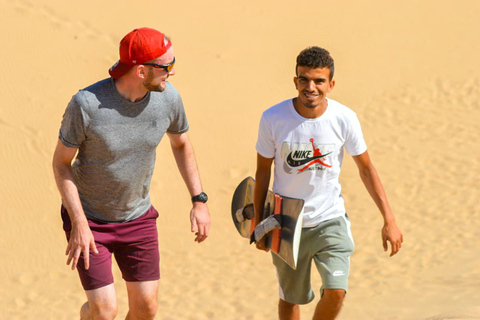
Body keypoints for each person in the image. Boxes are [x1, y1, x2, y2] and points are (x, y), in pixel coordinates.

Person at [52, 27, 211, 320]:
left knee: (146, 309)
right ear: (141, 71)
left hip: (137, 218)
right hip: (90, 221)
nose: (172, 73)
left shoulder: (168, 98)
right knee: (103, 311)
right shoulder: (86, 104)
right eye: (167, 66)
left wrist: (198, 200)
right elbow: (61, 163)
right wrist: (79, 223)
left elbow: (181, 143)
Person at [254, 46, 403, 320]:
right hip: (286, 222)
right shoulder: (273, 118)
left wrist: (389, 219)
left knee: (336, 290)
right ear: (295, 80)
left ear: (331, 84)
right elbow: (262, 171)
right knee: (291, 298)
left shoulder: (344, 118)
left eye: (319, 80)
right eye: (304, 79)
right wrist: (258, 223)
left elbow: (366, 168)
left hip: (329, 220)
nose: (311, 87)